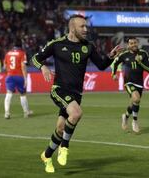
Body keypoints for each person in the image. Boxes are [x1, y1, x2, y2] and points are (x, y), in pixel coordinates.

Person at [31, 14, 120, 173]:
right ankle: (64, 147)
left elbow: (101, 65)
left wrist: (110, 57)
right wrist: (43, 67)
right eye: (82, 26)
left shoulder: (89, 46)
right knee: (76, 113)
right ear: (72, 28)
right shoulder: (57, 44)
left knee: (60, 128)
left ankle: (46, 155)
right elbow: (35, 58)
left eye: (86, 26)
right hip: (59, 89)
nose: (86, 29)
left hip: (76, 93)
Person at [111, 37, 149, 133]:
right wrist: (113, 74)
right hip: (128, 82)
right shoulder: (124, 55)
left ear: (137, 43)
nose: (133, 45)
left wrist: (140, 62)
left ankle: (125, 116)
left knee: (134, 102)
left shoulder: (143, 54)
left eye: (135, 43)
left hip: (139, 83)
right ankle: (135, 121)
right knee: (136, 99)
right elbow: (114, 63)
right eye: (131, 43)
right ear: (128, 45)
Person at [3, 44, 33, 119]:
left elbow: (4, 66)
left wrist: (8, 73)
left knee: (9, 93)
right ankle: (26, 112)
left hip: (9, 76)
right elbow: (23, 66)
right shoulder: (22, 53)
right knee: (22, 94)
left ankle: (7, 113)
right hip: (19, 76)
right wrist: (25, 78)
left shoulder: (8, 53)